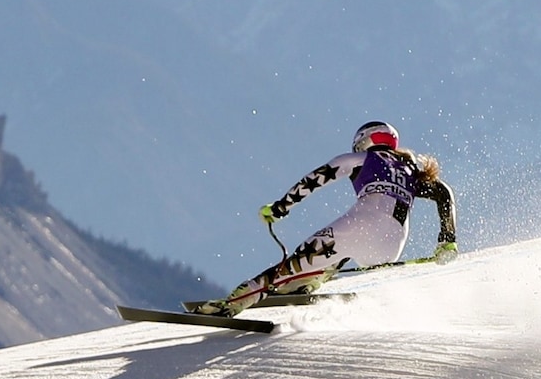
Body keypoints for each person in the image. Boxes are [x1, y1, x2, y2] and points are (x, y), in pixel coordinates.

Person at [189, 121, 457, 315]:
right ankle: (310, 281)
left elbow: (315, 179)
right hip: (391, 247)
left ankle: (231, 304)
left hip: (359, 228)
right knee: (339, 254)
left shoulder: (361, 158)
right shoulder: (411, 170)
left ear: (365, 140)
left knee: (293, 263)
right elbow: (445, 193)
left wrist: (281, 207)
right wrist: (447, 240)